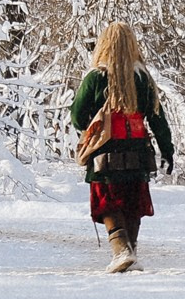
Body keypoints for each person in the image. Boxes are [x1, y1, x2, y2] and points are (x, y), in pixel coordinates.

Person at [70, 21, 174, 273]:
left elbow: (77, 116)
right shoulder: (143, 78)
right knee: (132, 201)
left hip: (105, 154)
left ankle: (121, 251)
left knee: (108, 202)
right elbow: (158, 118)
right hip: (138, 152)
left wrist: (94, 125)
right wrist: (167, 150)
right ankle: (131, 252)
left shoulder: (96, 77)